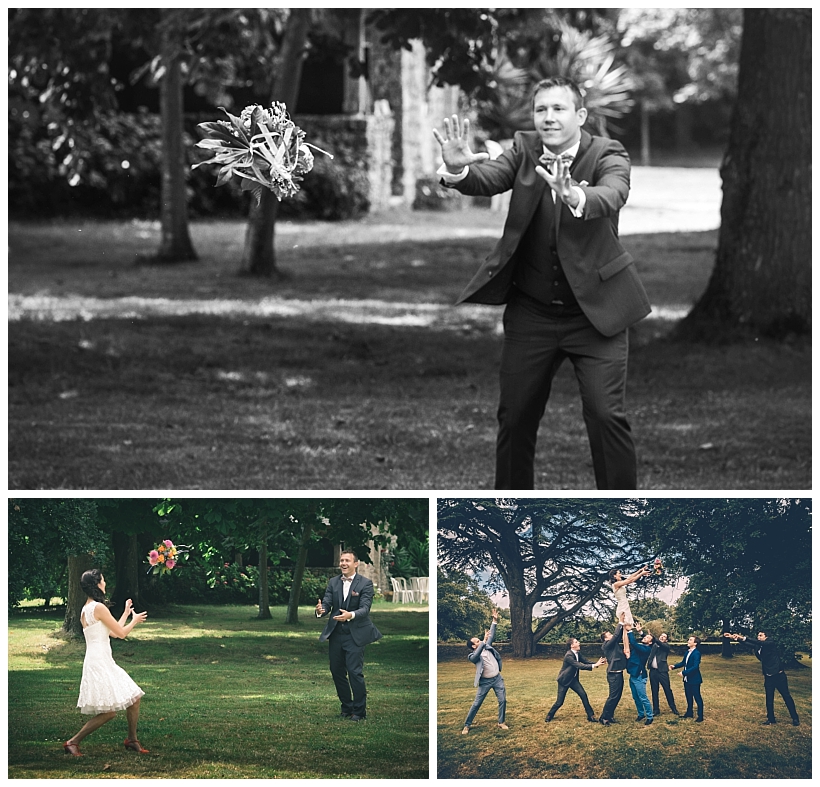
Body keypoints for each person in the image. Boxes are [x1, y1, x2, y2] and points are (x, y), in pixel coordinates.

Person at [432, 75, 650, 491]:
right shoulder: (524, 149)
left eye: (558, 108)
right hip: (532, 313)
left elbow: (614, 192)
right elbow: (490, 178)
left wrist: (577, 198)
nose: (548, 118)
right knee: (514, 417)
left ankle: (622, 514)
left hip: (596, 313)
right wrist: (458, 170)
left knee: (606, 415)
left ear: (580, 115)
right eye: (541, 109)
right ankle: (510, 517)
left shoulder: (608, 152)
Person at [63, 569, 149, 756]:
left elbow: (110, 632)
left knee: (134, 698)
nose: (105, 583)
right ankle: (73, 742)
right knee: (109, 712)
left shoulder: (88, 609)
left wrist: (126, 613)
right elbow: (121, 633)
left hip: (102, 660)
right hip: (99, 663)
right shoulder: (98, 608)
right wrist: (134, 621)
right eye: (103, 581)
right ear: (97, 585)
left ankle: (132, 739)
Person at [315, 550, 382, 722]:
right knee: (336, 671)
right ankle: (347, 706)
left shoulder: (365, 584)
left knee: (354, 672)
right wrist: (321, 611)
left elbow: (365, 609)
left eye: (347, 560)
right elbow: (327, 602)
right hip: (336, 633)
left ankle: (359, 711)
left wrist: (350, 615)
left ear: (355, 563)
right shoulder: (333, 582)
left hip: (355, 634)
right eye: (341, 560)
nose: (343, 563)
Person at [725, 631, 799, 726]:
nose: (758, 637)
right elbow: (749, 644)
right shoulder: (758, 646)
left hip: (779, 675)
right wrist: (734, 638)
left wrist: (743, 637)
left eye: (761, 635)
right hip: (768, 676)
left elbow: (756, 642)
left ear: (766, 637)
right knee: (769, 698)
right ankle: (771, 719)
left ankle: (795, 718)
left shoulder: (770, 643)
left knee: (786, 696)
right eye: (758, 635)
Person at [462, 609, 508, 734]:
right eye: (477, 641)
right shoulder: (472, 656)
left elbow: (491, 635)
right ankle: (467, 725)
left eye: (479, 640)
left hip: (497, 679)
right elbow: (479, 651)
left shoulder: (487, 647)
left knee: (502, 700)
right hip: (485, 682)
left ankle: (501, 722)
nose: (480, 642)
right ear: (473, 646)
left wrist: (494, 621)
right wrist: (483, 640)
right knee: (477, 704)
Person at [545, 637, 605, 723]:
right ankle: (549, 715)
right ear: (572, 645)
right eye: (577, 642)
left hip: (573, 680)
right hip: (564, 681)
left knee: (583, 695)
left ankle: (590, 716)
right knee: (559, 702)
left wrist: (597, 663)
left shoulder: (577, 653)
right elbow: (579, 665)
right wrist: (595, 665)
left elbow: (585, 661)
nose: (579, 643)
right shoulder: (568, 655)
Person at [599, 612, 630, 726]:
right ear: (605, 638)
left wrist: (625, 626)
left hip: (619, 673)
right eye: (609, 634)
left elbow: (619, 634)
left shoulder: (612, 643)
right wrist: (620, 622)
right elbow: (616, 635)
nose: (612, 635)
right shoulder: (606, 644)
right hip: (613, 674)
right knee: (613, 696)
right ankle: (603, 718)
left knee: (617, 696)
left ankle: (610, 716)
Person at [625, 623, 654, 725]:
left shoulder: (646, 649)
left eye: (647, 638)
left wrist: (629, 631)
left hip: (639, 676)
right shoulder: (643, 646)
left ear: (650, 642)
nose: (645, 638)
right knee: (636, 697)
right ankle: (641, 714)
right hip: (633, 675)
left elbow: (633, 642)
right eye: (645, 637)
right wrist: (640, 632)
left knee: (643, 697)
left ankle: (650, 716)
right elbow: (644, 639)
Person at [670, 635, 703, 722]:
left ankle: (700, 716)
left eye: (690, 640)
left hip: (694, 679)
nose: (688, 641)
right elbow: (683, 663)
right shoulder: (687, 652)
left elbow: (695, 667)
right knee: (688, 696)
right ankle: (689, 713)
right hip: (687, 680)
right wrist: (674, 666)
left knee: (697, 697)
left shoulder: (697, 653)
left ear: (695, 643)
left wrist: (684, 673)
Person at [648, 632, 680, 717]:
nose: (662, 637)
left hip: (662, 671)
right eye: (661, 636)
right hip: (653, 671)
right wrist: (641, 633)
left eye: (664, 637)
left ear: (666, 639)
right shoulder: (654, 645)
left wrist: (654, 637)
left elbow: (658, 642)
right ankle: (656, 709)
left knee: (667, 689)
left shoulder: (666, 646)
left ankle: (673, 707)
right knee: (654, 691)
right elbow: (647, 640)